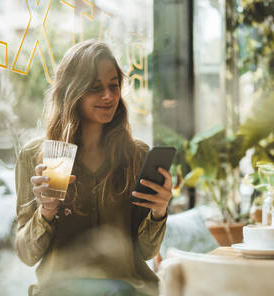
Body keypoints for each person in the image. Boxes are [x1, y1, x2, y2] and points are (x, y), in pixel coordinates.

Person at [14, 40, 173, 296]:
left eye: (113, 85)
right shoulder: (35, 156)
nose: (108, 96)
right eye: (95, 88)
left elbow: (146, 252)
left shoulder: (136, 154)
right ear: (71, 91)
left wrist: (158, 212)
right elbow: (26, 254)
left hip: (127, 289)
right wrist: (46, 212)